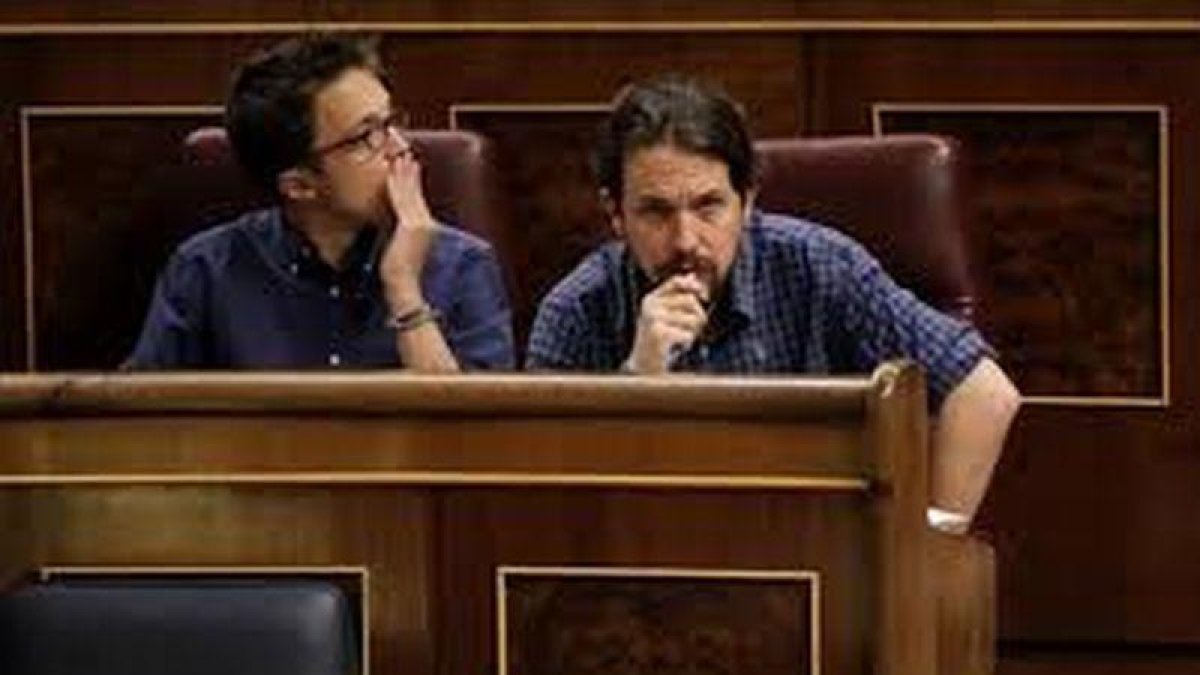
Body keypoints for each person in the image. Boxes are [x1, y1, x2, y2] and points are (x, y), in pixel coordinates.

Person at [526, 75, 1020, 531]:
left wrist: (923, 555)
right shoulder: (575, 310)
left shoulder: (820, 268)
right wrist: (635, 383)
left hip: (809, 563)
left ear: (748, 200)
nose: (685, 240)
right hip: (647, 574)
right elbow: (537, 498)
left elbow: (984, 394)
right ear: (615, 214)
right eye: (655, 212)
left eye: (707, 206)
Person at [127, 34, 513, 370]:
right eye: (367, 137)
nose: (400, 147)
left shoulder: (462, 265)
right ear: (299, 185)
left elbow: (469, 438)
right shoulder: (204, 272)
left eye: (392, 121)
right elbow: (143, 426)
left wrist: (403, 287)